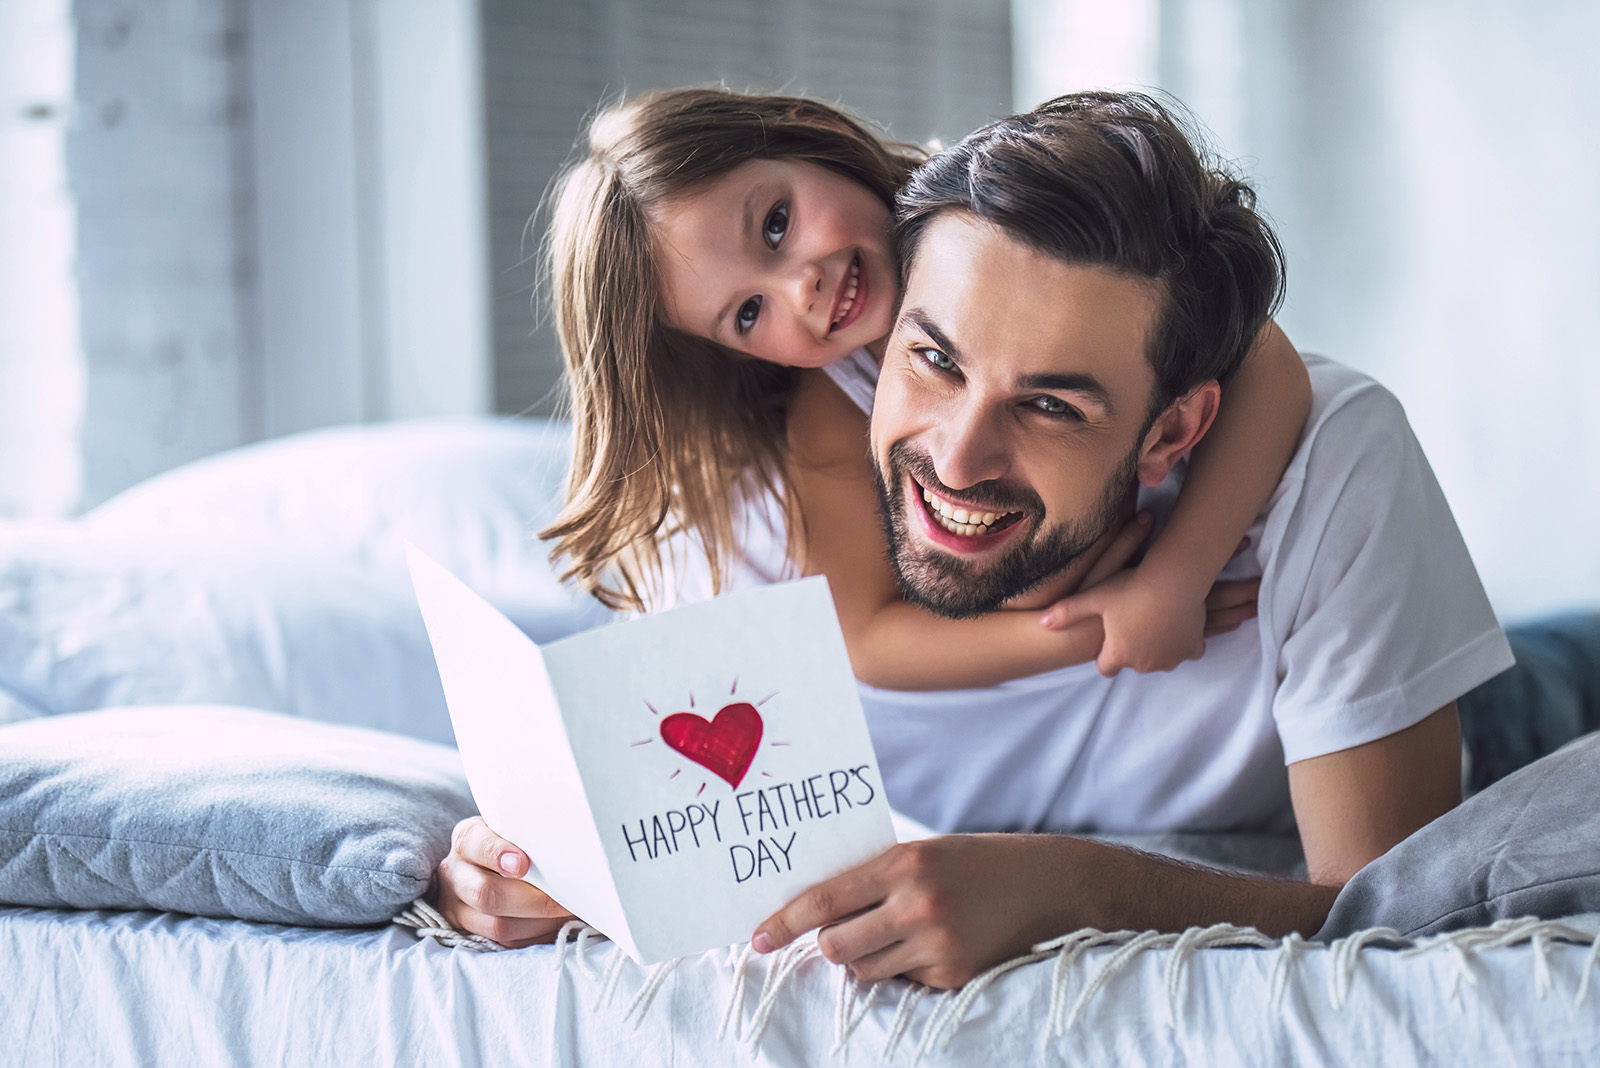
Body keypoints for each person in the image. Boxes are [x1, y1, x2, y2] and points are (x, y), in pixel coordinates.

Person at [434, 91, 1515, 988]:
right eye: (930, 362)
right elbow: (780, 737)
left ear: (1177, 423)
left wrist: (1175, 576)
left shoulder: (1311, 449)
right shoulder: (782, 460)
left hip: (1433, 691)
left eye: (1052, 404)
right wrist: (527, 874)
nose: (954, 462)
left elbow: (1388, 922)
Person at [539, 87, 1309, 690]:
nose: (801, 288)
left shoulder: (996, 211)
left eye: (776, 225)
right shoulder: (836, 405)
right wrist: (1102, 626)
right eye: (748, 312)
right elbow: (867, 641)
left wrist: (1177, 577)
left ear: (813, 135)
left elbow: (1265, 359)